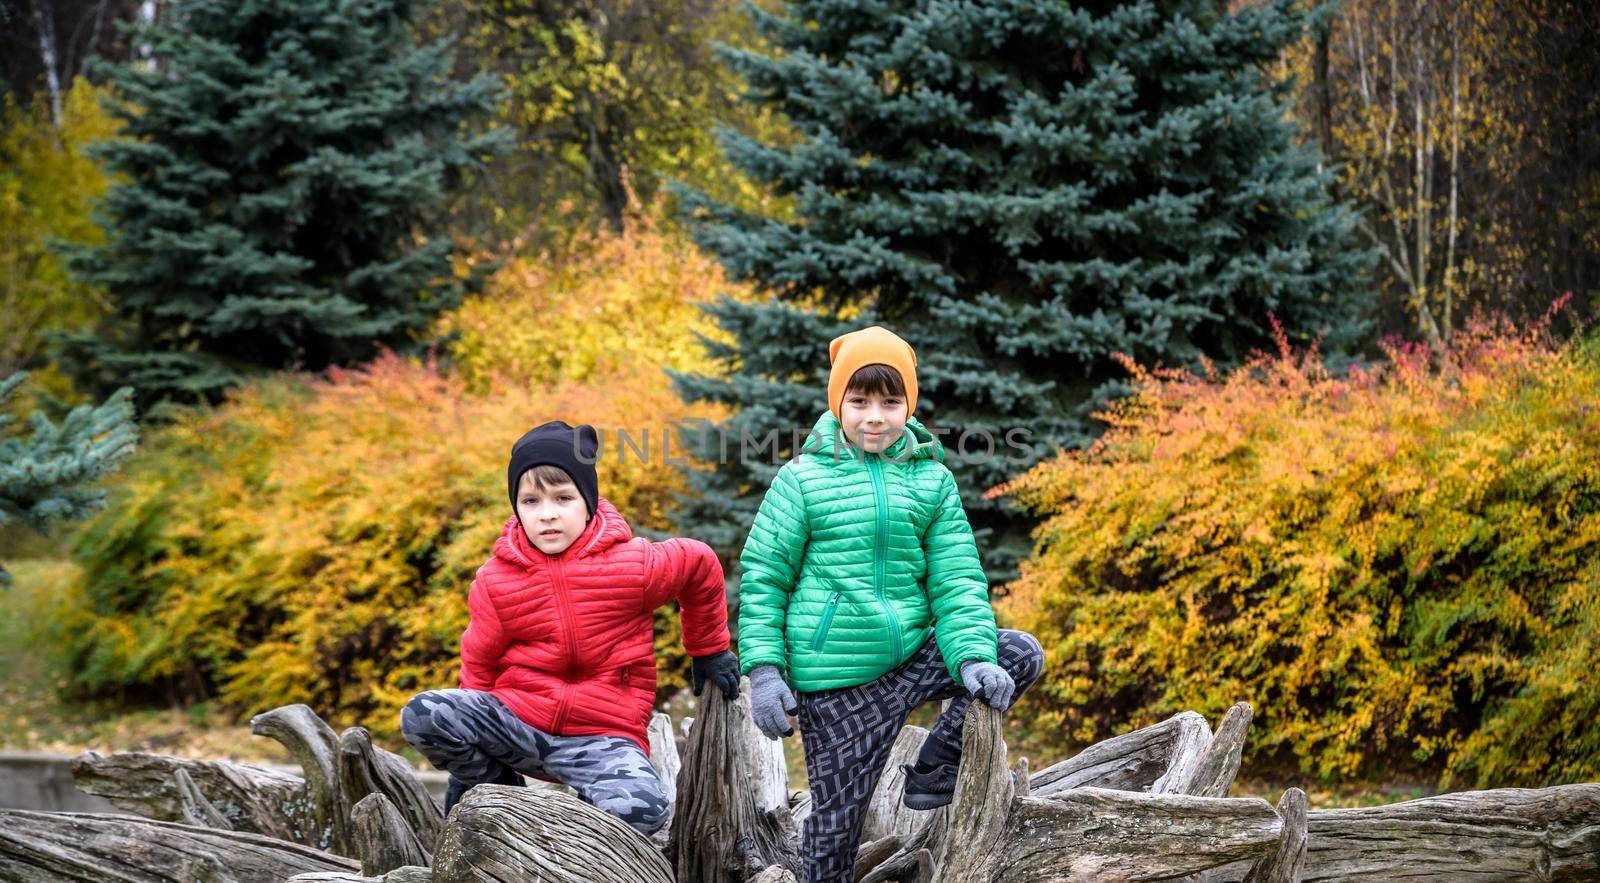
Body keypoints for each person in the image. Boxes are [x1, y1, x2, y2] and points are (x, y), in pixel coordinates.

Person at [737, 326, 1045, 883]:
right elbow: (763, 579)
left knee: (1017, 655)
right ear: (838, 403)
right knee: (834, 831)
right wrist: (763, 671)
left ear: (910, 404)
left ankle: (934, 767)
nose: (874, 416)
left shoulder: (932, 481)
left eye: (890, 401)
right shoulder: (802, 480)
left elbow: (957, 582)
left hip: (910, 659)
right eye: (859, 401)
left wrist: (972, 657)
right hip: (836, 686)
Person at [401, 420, 739, 835]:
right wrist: (469, 769)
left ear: (589, 501)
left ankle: (574, 836)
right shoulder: (496, 579)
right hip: (519, 721)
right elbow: (479, 663)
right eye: (530, 501)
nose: (547, 515)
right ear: (516, 507)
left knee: (643, 811)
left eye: (563, 498)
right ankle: (500, 793)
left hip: (601, 737)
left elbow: (700, 563)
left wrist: (708, 650)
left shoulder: (634, 566)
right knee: (423, 714)